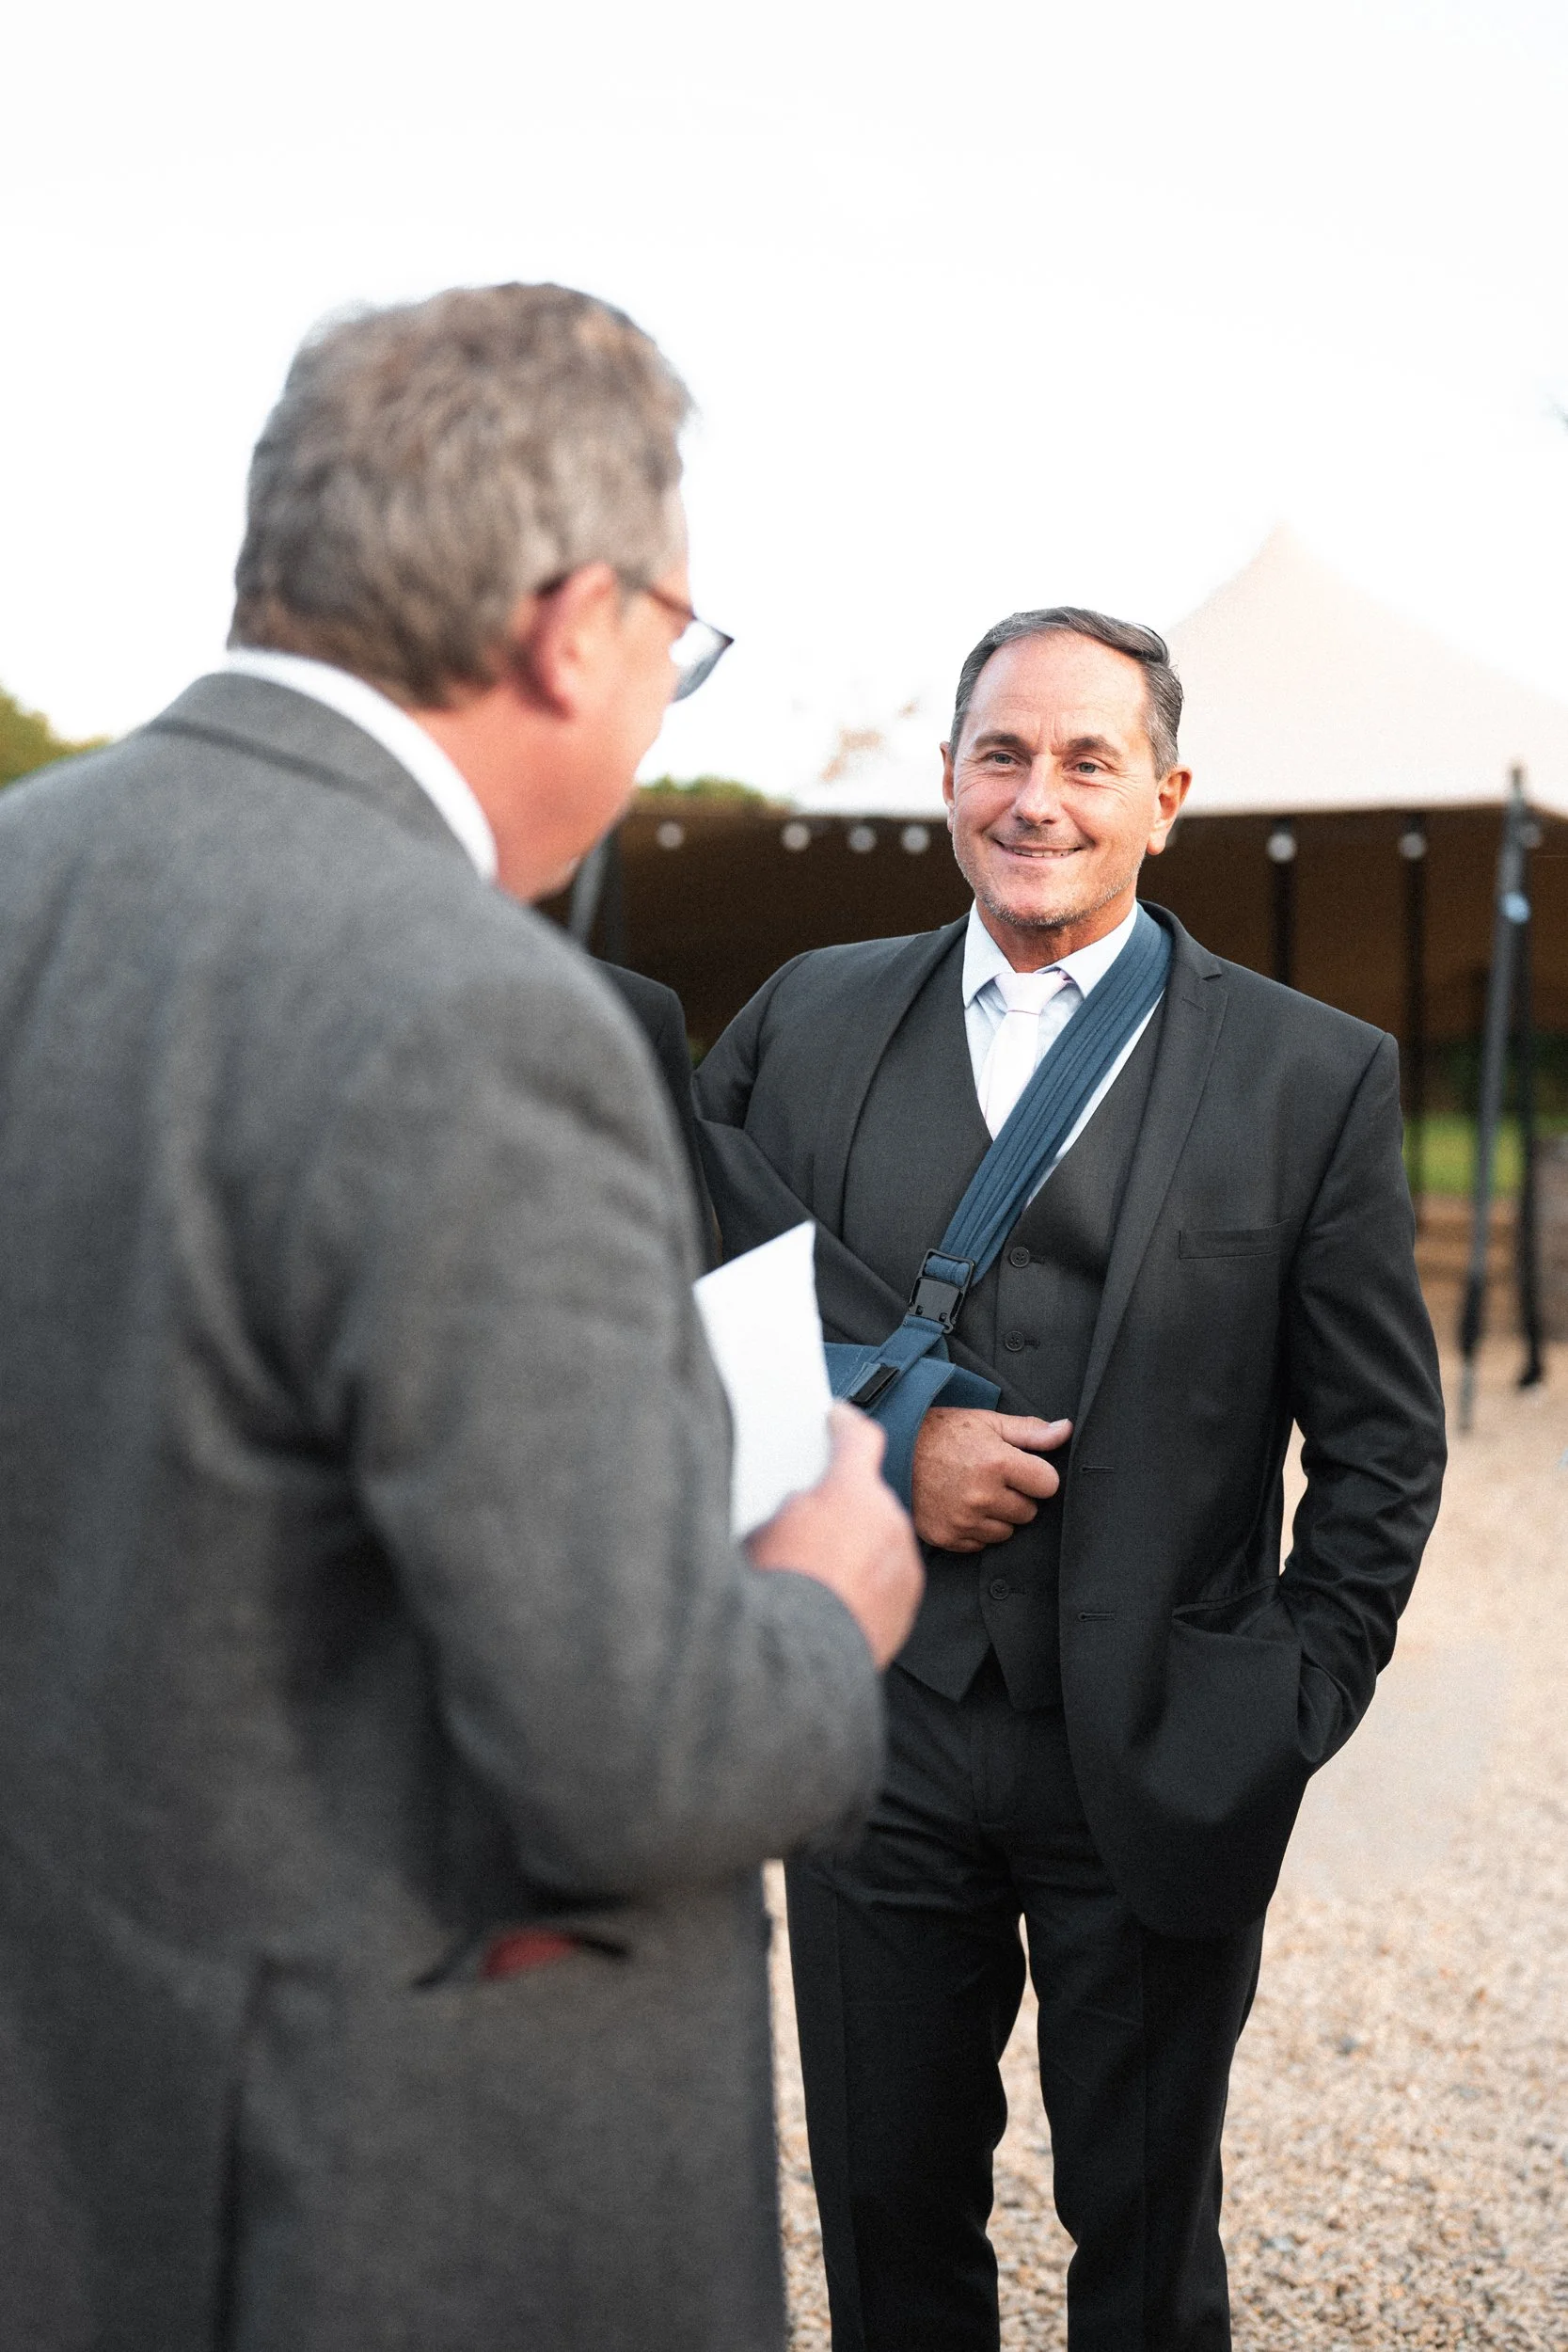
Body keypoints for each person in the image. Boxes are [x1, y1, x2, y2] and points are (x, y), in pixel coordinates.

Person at [0, 283, 922, 2352]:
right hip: (355, 2203)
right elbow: (640, 1750)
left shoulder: (21, 870)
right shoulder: (477, 1011)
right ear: (569, 624)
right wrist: (828, 1593)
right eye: (679, 638)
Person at [696, 606, 1447, 2351]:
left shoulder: (1308, 1072)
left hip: (1167, 1737)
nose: (1040, 797)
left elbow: (1382, 1441)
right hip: (870, 1725)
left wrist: (1286, 1699)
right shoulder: (805, 1018)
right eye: (1003, 754)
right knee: (885, 2221)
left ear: (1165, 795)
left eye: (1087, 760)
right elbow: (663, 1309)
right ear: (946, 779)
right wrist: (880, 1444)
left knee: (1145, 2239)